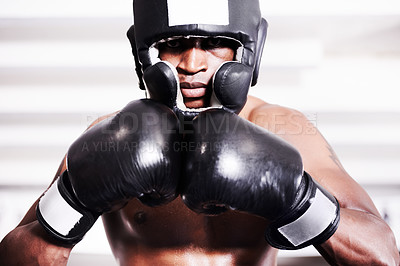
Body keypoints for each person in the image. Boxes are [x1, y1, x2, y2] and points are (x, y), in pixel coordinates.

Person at [0, 0, 399, 265]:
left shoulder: (285, 130)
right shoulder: (110, 135)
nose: (192, 62)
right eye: (174, 43)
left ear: (247, 50)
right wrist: (75, 198)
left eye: (214, 42)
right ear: (145, 53)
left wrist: (300, 200)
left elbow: (383, 256)